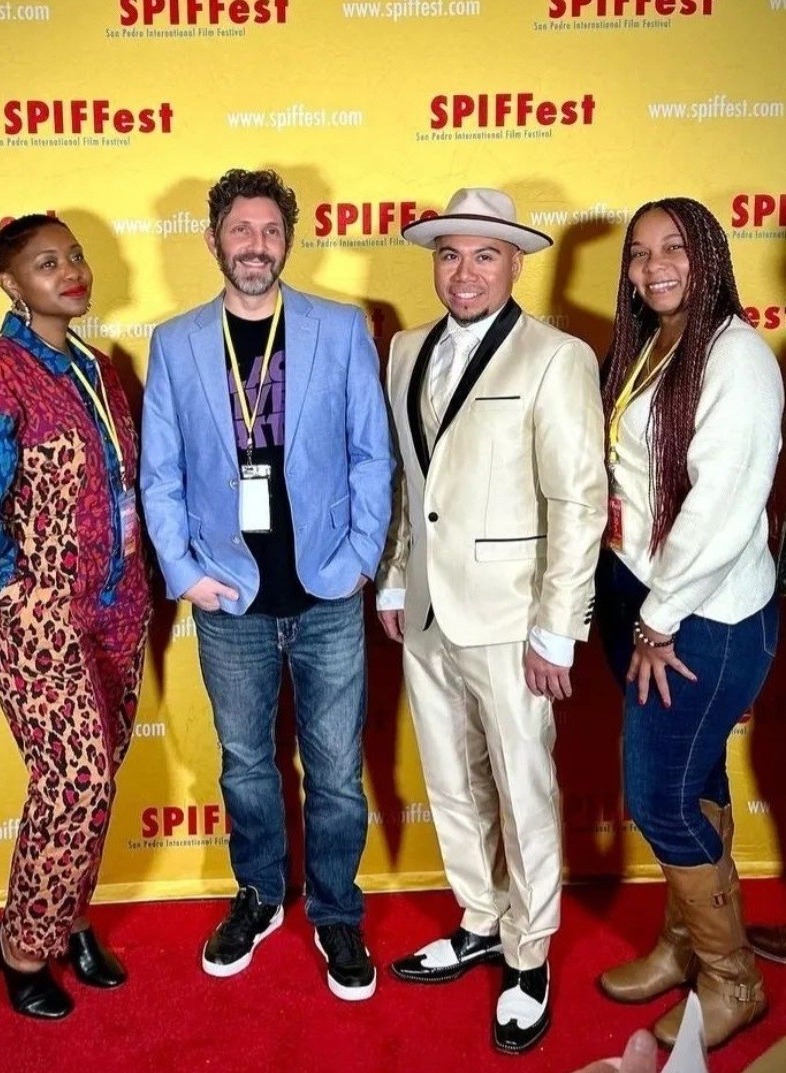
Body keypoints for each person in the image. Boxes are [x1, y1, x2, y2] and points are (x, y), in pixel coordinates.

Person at [140, 168, 393, 1001]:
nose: (256, 245)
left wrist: (362, 556)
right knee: (246, 764)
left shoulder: (340, 328)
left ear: (288, 239)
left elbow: (372, 453)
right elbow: (160, 474)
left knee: (337, 770)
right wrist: (184, 572)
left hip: (327, 592)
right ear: (213, 240)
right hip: (230, 597)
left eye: (270, 231)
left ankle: (336, 908)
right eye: (240, 231)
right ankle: (258, 892)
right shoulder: (176, 342)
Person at [376, 188, 607, 1053]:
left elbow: (579, 501)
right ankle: (480, 916)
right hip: (427, 610)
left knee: (523, 786)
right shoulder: (404, 349)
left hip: (514, 616)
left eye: (483, 255)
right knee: (449, 778)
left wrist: (557, 628)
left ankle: (529, 950)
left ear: (515, 264)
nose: (463, 272)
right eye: (449, 255)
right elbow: (412, 482)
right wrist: (395, 579)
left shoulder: (558, 357)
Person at [0, 214, 150, 1020]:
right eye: (47, 262)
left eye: (75, 255)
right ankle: (20, 946)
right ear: (11, 283)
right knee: (74, 778)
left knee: (98, 773)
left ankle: (68, 916)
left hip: (118, 606)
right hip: (39, 618)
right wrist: (17, 597)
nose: (71, 270)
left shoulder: (97, 367)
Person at [595, 197, 782, 1050]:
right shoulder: (655, 341)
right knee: (696, 781)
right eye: (639, 253)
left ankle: (733, 978)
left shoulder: (737, 355)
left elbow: (724, 508)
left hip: (700, 615)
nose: (654, 265)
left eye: (673, 247)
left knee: (662, 798)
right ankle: (686, 947)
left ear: (709, 253)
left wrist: (658, 620)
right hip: (646, 595)